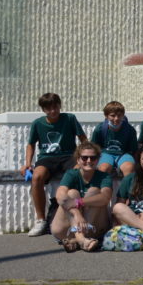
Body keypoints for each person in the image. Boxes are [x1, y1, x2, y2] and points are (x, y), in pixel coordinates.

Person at [21, 92, 88, 236]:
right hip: (47, 158)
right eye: (48, 108)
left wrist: (87, 156)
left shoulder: (69, 118)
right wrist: (28, 163)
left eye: (55, 107)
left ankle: (79, 215)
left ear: (59, 106)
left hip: (68, 156)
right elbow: (31, 145)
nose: (52, 111)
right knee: (37, 177)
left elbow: (83, 138)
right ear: (43, 110)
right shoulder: (38, 123)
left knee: (78, 173)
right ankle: (41, 220)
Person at [51, 141, 112, 251]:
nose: (88, 161)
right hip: (66, 228)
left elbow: (105, 198)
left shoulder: (104, 176)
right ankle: (81, 238)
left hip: (93, 227)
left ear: (98, 160)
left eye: (93, 158)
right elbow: (59, 195)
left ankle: (78, 240)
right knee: (71, 193)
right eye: (84, 158)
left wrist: (79, 202)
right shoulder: (71, 174)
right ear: (78, 160)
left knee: (94, 191)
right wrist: (77, 213)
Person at [91, 101, 138, 178]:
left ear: (123, 115)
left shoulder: (130, 130)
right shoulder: (100, 129)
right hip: (105, 153)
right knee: (104, 168)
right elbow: (94, 148)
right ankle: (104, 188)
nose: (116, 118)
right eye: (112, 116)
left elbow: (134, 150)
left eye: (119, 115)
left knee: (129, 168)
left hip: (123, 154)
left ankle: (127, 189)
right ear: (106, 116)